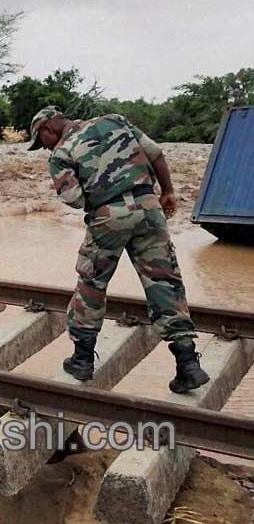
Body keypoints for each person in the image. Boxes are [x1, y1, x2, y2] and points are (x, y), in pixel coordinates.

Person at [27, 106, 209, 393]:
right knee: (165, 282)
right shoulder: (114, 120)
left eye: (42, 141)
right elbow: (155, 153)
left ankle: (82, 359)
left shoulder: (61, 153)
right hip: (150, 208)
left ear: (48, 128)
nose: (43, 148)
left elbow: (73, 199)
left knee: (92, 284)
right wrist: (168, 191)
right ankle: (188, 364)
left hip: (108, 217)